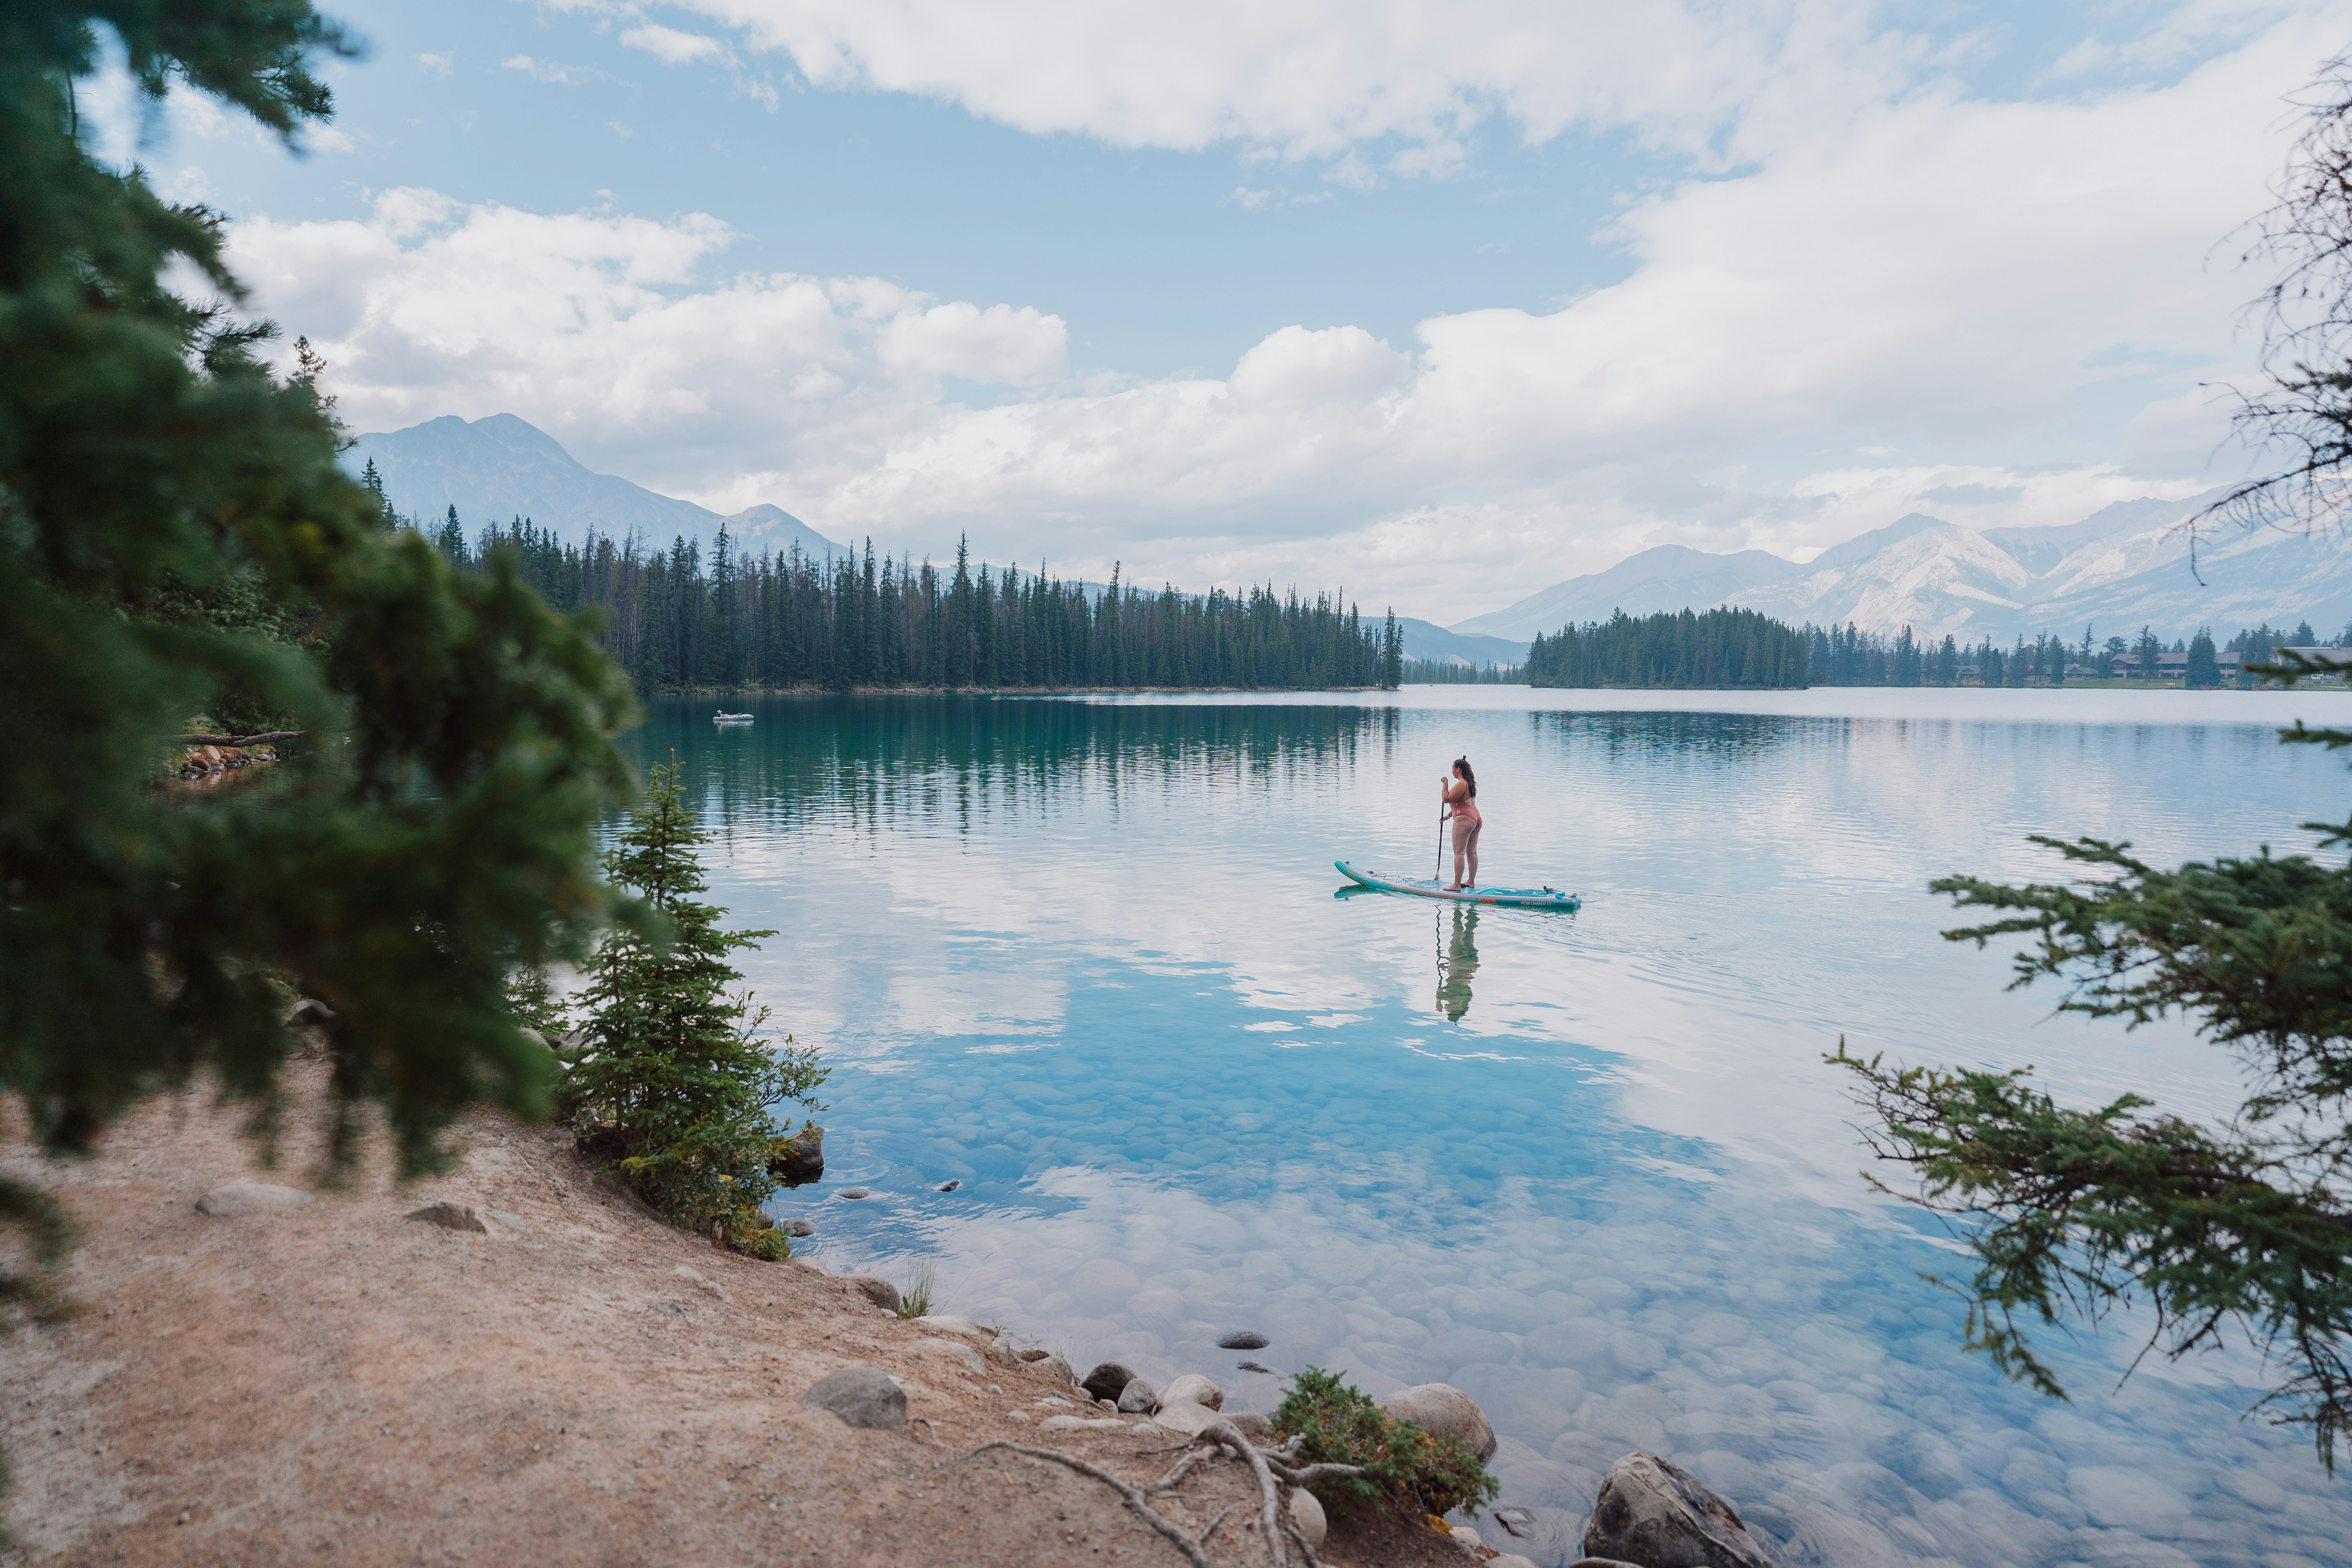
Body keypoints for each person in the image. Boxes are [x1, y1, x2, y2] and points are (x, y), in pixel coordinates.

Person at [1440, 756, 1481, 891]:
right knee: (1472, 853)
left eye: (1453, 769)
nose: (1452, 771)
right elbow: (1462, 804)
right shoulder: (1469, 783)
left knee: (1459, 854)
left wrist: (1445, 783)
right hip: (1476, 819)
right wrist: (1447, 817)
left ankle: (1457, 885)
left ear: (1459, 770)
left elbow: (1446, 799)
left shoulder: (1462, 783)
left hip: (1464, 820)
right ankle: (1471, 882)